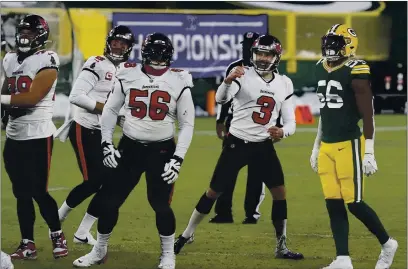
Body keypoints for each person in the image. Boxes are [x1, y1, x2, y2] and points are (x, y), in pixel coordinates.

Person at [174, 35, 304, 261]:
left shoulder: (284, 83)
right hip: (237, 143)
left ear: (276, 57)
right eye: (260, 53)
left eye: (268, 54)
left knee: (280, 194)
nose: (263, 58)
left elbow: (291, 120)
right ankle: (186, 234)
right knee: (213, 192)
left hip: (263, 145)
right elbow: (222, 100)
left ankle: (281, 246)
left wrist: (284, 131)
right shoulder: (242, 73)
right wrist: (226, 82)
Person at [72, 32, 195, 269]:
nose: (158, 59)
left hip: (162, 151)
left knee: (160, 204)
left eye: (162, 55)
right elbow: (109, 110)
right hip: (129, 148)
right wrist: (107, 143)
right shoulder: (127, 73)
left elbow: (187, 124)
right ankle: (99, 251)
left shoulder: (180, 79)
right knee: (109, 201)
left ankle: (168, 255)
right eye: (154, 54)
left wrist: (178, 158)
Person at [310, 24, 398, 269]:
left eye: (335, 43)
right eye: (327, 42)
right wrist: (316, 147)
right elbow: (325, 113)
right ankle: (343, 259)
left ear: (348, 45)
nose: (329, 48)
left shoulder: (356, 69)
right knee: (333, 202)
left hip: (349, 144)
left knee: (354, 202)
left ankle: (387, 243)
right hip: (327, 145)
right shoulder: (320, 68)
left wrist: (369, 150)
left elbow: (368, 113)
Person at [55, 25, 135, 246]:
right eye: (116, 42)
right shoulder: (96, 63)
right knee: (93, 181)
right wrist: (109, 110)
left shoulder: (129, 70)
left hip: (104, 133)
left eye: (123, 43)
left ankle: (82, 231)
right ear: (109, 42)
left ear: (129, 47)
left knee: (110, 184)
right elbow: (76, 96)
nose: (118, 46)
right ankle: (57, 219)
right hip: (85, 128)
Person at [1, 14, 68, 259]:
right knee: (21, 192)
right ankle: (27, 244)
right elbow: (7, 92)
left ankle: (57, 234)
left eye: (29, 31)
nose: (24, 35)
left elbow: (31, 98)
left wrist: (3, 100)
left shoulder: (47, 58)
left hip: (38, 136)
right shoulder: (9, 59)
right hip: (14, 136)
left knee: (39, 191)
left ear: (40, 34)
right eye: (22, 31)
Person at [211, 31, 267, 225]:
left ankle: (251, 213)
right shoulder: (235, 67)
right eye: (246, 44)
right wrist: (220, 120)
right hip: (235, 127)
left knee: (257, 172)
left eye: (250, 45)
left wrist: (276, 125)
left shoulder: (268, 69)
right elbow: (226, 97)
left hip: (259, 128)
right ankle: (223, 212)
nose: (246, 48)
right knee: (227, 170)